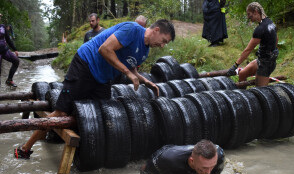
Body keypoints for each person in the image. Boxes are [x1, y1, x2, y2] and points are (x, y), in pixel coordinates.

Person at [14, 19, 175, 159]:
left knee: (100, 116)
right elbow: (104, 49)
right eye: (164, 40)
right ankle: (25, 148)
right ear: (156, 30)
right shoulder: (132, 30)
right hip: (85, 64)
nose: (162, 45)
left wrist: (146, 80)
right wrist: (127, 73)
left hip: (102, 78)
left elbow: (131, 67)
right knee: (61, 112)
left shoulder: (145, 50)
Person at [226, 2, 279, 87]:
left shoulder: (260, 29)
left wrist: (235, 66)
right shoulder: (271, 23)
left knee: (260, 92)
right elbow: (276, 39)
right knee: (242, 74)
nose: (248, 17)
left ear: (256, 12)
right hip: (261, 60)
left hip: (266, 64)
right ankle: (242, 96)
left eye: (249, 14)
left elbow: (248, 50)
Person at [140, 139, 225, 174]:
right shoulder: (168, 160)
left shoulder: (219, 156)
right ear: (192, 161)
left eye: (212, 166)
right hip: (169, 154)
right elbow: (145, 170)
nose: (208, 172)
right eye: (204, 168)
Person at [0, 13, 19, 87]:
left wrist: (15, 49)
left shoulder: (2, 27)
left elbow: (8, 39)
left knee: (16, 61)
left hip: (4, 50)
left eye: (0, 17)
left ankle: (9, 80)